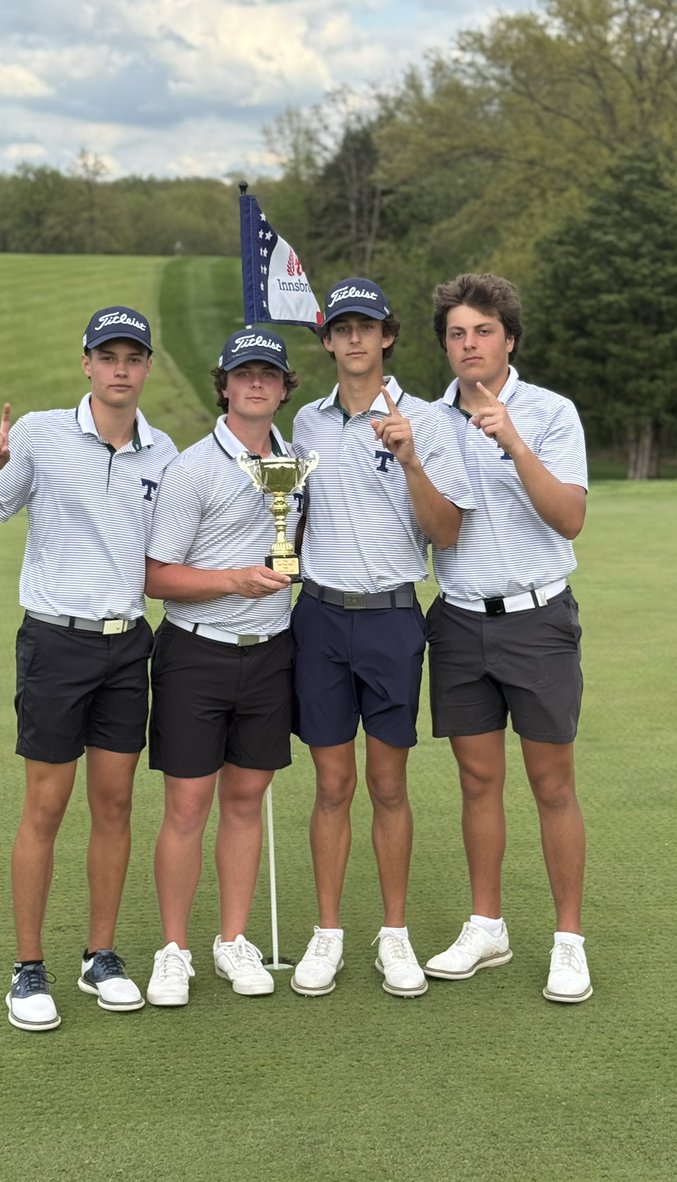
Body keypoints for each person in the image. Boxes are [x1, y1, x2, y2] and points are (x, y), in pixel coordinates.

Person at [0, 306, 178, 1031]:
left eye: (133, 356)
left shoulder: (163, 452)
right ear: (85, 362)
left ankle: (101, 955)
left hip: (126, 647)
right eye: (107, 355)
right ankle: (27, 969)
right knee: (46, 806)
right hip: (55, 643)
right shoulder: (41, 436)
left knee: (114, 804)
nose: (121, 368)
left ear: (146, 367)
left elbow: (172, 557)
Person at [288, 277, 474, 998]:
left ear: (387, 335)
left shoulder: (426, 420)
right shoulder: (303, 424)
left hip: (395, 617)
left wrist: (410, 458)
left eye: (368, 326)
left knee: (387, 784)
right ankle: (327, 933)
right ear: (329, 340)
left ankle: (393, 935)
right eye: (343, 328)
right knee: (332, 784)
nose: (356, 338)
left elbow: (448, 530)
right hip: (321, 617)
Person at [423, 272, 592, 1003]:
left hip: (538, 620)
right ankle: (487, 925)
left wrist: (515, 442)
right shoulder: (427, 421)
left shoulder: (550, 413)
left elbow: (569, 517)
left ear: (509, 339)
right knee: (477, 782)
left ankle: (568, 941)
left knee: (552, 784)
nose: (470, 344)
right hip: (459, 621)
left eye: (483, 331)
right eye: (457, 333)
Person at [144, 328, 301, 1004]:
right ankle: (174, 949)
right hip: (197, 652)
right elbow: (156, 576)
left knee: (244, 801)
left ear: (285, 387)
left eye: (269, 373)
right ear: (226, 385)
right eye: (244, 374)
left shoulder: (296, 460)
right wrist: (232, 581)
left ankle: (233, 941)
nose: (256, 384)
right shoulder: (192, 467)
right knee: (187, 806)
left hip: (271, 655)